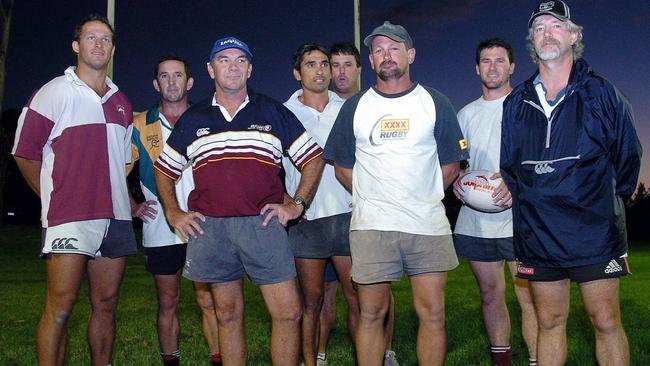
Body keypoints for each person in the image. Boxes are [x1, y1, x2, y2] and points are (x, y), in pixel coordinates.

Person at [153, 36, 325, 365]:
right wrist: (174, 213)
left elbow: (313, 159)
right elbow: (164, 170)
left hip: (263, 224)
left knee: (288, 312)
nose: (232, 66)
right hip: (212, 228)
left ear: (249, 69)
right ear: (210, 69)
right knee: (227, 314)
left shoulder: (273, 110)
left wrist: (297, 204)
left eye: (240, 60)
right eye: (224, 59)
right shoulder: (195, 118)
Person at [500, 1, 642, 365]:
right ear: (531, 40)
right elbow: (510, 168)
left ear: (574, 35)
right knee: (548, 321)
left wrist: (602, 200)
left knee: (606, 320)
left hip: (594, 232)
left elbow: (628, 157)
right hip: (539, 232)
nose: (547, 32)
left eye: (556, 25)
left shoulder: (602, 93)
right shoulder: (515, 101)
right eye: (539, 27)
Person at [324, 21, 469, 365]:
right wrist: (372, 194)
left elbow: (452, 164)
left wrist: (422, 195)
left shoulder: (435, 102)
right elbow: (342, 166)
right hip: (372, 225)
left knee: (432, 312)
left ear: (410, 54)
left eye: (394, 48)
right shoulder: (356, 107)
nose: (386, 55)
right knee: (371, 312)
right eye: (378, 50)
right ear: (371, 62)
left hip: (427, 224)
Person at [12, 14, 136, 366]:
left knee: (106, 306)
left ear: (112, 48)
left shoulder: (122, 102)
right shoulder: (53, 92)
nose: (99, 44)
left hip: (116, 218)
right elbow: (24, 154)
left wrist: (130, 203)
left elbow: (120, 162)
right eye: (91, 37)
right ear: (76, 46)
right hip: (70, 218)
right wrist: (53, 196)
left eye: (106, 39)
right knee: (61, 308)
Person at [127, 56, 222, 366]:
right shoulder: (141, 123)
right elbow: (116, 168)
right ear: (156, 84)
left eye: (178, 75)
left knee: (208, 301)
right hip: (161, 227)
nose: (171, 82)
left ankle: (219, 358)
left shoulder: (207, 118)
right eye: (164, 76)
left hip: (204, 223)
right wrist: (133, 205)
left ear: (190, 82)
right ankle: (171, 360)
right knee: (168, 301)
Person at [453, 38, 538, 366]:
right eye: (485, 61)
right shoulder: (466, 114)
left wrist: (516, 182)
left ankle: (535, 359)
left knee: (529, 296)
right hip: (476, 222)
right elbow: (457, 162)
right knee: (490, 295)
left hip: (521, 222)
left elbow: (541, 160)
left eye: (499, 61)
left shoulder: (526, 108)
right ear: (477, 69)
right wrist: (457, 180)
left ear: (512, 67)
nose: (492, 67)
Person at [282, 43, 360, 366]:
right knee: (311, 301)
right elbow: (271, 164)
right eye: (311, 64)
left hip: (346, 215)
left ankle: (367, 357)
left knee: (357, 298)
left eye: (324, 64)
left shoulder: (348, 109)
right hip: (306, 220)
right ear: (298, 73)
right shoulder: (283, 112)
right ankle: (311, 361)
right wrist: (284, 198)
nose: (320, 70)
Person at [322, 41, 398, 366]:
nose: (340, 72)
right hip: (322, 214)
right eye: (334, 65)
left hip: (367, 214)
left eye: (347, 65)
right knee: (323, 292)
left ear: (359, 68)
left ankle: (386, 350)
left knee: (371, 291)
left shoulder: (374, 104)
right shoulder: (311, 106)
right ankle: (320, 352)